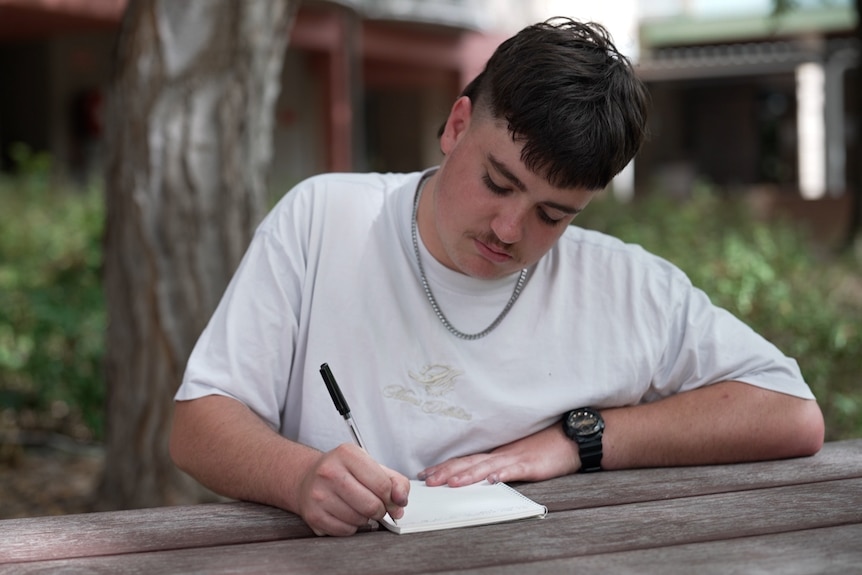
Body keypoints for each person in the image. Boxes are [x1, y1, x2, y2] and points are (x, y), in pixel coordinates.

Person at [169, 17, 824, 537]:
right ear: (457, 125)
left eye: (553, 213)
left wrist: (581, 439)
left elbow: (791, 414)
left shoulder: (621, 283)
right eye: (497, 182)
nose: (510, 229)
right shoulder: (325, 221)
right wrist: (300, 474)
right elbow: (199, 422)